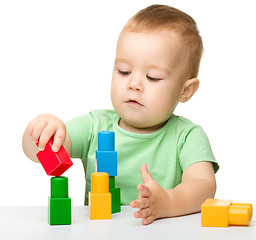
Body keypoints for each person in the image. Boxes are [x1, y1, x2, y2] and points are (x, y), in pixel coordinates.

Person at [22, 4, 219, 225]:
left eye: (152, 77)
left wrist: (168, 203)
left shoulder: (188, 136)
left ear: (185, 90)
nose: (134, 84)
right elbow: (39, 153)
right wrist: (42, 131)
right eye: (123, 71)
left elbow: (204, 186)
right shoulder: (94, 126)